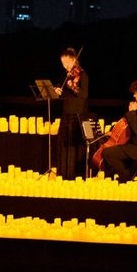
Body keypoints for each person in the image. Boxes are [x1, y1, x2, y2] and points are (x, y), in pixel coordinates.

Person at [50, 48, 90, 177]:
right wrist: (58, 92)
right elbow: (65, 95)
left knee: (74, 147)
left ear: (74, 60)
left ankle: (73, 175)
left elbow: (84, 95)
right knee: (63, 145)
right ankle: (64, 173)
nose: (65, 66)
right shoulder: (66, 76)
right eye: (63, 63)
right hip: (66, 113)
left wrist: (72, 86)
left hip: (77, 115)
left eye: (68, 62)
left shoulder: (82, 75)